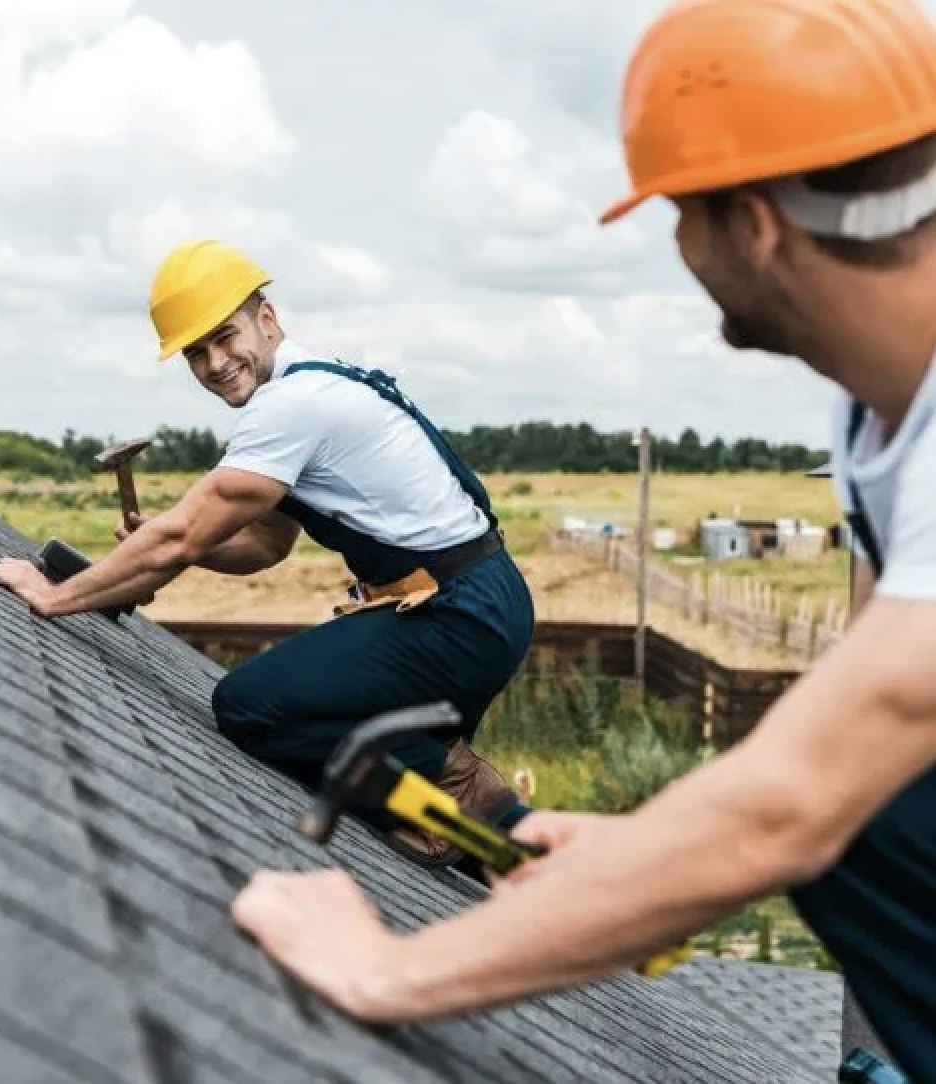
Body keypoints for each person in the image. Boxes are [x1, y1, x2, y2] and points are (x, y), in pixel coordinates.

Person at [229, 1, 936, 1078]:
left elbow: (800, 795)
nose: (676, 248)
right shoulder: (876, 415)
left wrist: (388, 972)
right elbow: (834, 746)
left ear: (750, 221)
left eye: (676, 214)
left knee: (871, 800)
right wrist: (642, 854)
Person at [0, 239, 536, 866]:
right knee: (414, 770)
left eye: (225, 338)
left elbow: (182, 535)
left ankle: (458, 787)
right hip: (475, 604)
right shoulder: (310, 391)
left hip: (455, 618)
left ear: (268, 320)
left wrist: (56, 596)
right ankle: (535, 870)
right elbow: (263, 545)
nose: (216, 362)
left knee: (253, 706)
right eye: (196, 354)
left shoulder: (291, 407)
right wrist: (179, 548)